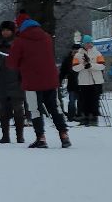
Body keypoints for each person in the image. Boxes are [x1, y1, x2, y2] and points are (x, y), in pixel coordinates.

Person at [6, 11, 71, 147]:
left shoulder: (20, 41)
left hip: (32, 81)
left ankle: (41, 138)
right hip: (50, 78)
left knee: (35, 109)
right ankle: (64, 136)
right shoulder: (47, 37)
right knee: (55, 108)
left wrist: (20, 64)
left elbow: (11, 63)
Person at [71, 36, 105, 127]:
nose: (89, 45)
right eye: (87, 43)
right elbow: (74, 68)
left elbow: (102, 66)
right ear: (83, 44)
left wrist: (91, 65)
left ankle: (94, 118)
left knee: (94, 100)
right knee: (84, 101)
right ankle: (85, 118)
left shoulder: (97, 53)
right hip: (84, 81)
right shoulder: (78, 55)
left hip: (95, 81)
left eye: (90, 43)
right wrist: (83, 65)